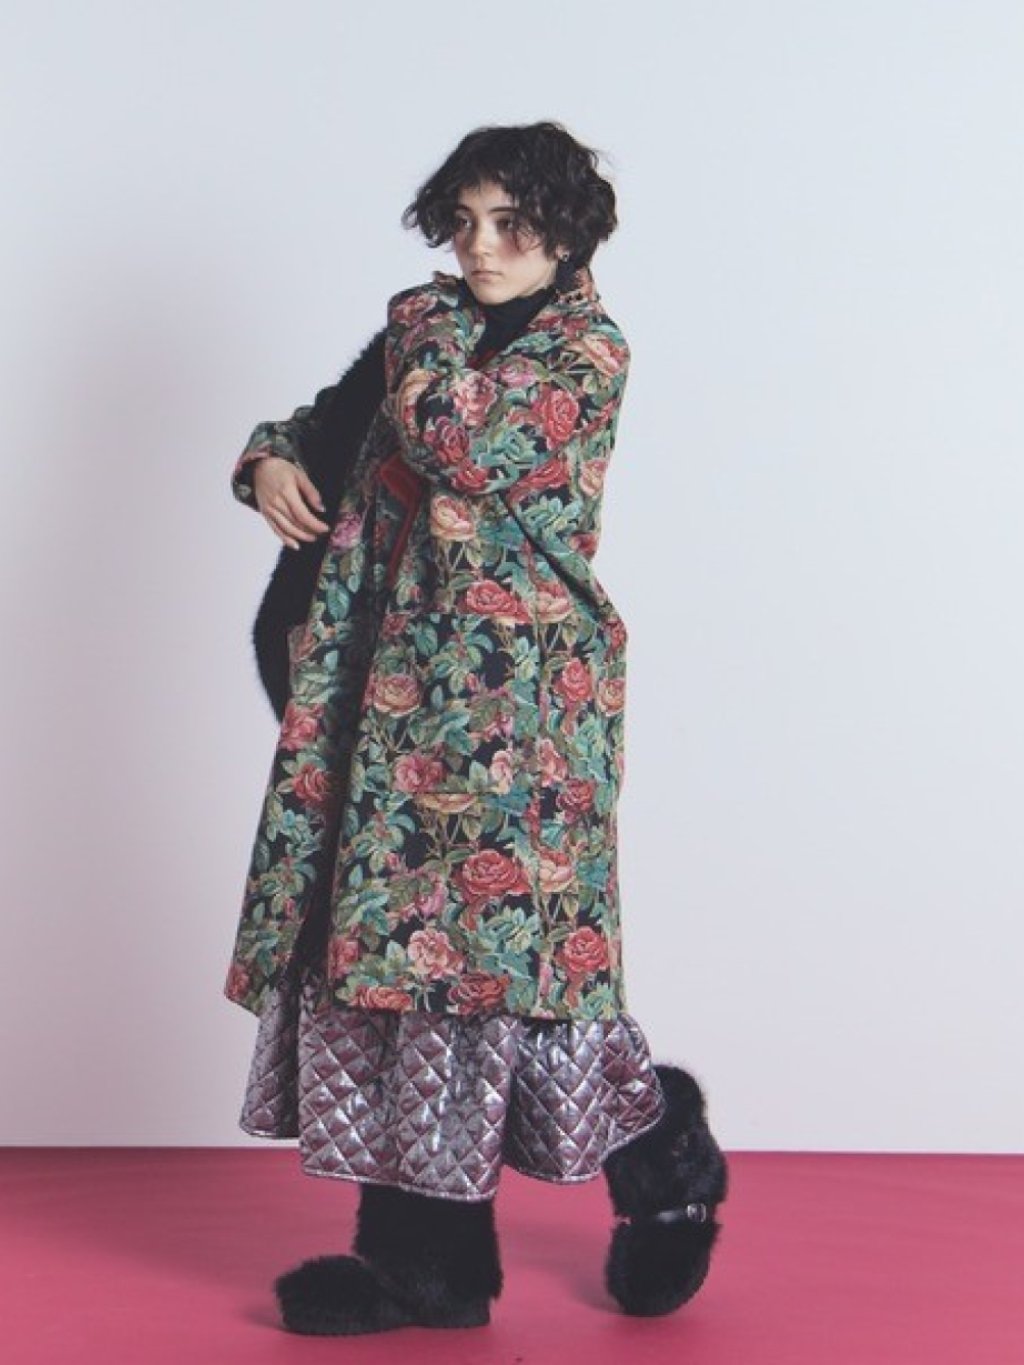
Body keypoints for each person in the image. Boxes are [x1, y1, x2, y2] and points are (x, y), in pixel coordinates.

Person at [224, 120, 727, 1335]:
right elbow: (324, 424)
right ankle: (428, 1272)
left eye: (510, 224)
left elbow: (459, 443)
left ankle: (667, 1157)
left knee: (518, 979)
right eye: (462, 223)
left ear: (568, 232)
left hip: (513, 721)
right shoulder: (425, 328)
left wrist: (421, 324)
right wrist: (270, 462)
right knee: (395, 981)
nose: (479, 248)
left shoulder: (582, 352)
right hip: (375, 708)